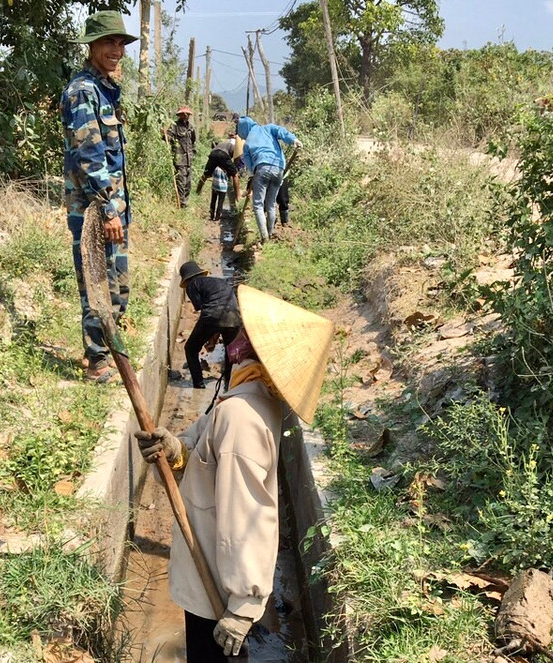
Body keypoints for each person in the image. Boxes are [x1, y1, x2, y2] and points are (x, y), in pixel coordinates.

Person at [135, 285, 334, 661]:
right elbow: (199, 445)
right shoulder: (243, 399)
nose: (234, 337)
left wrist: (243, 606)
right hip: (208, 575)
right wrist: (173, 451)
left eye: (243, 333)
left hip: (216, 589)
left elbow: (249, 516)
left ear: (254, 351)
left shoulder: (240, 417)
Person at [61, 11, 138, 382]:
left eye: (121, 43)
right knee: (99, 284)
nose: (116, 50)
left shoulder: (105, 89)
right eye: (109, 42)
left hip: (113, 208)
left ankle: (111, 351)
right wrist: (108, 209)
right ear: (91, 45)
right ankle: (97, 361)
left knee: (118, 286)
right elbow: (89, 156)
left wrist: (119, 210)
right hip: (94, 209)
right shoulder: (82, 92)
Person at [236, 116, 302, 243]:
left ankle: (265, 237)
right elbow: (281, 131)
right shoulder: (268, 128)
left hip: (261, 168)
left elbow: (249, 165)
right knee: (271, 204)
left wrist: (254, 173)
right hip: (279, 168)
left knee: (258, 205)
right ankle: (270, 233)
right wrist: (293, 139)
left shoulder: (247, 142)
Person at [179, 261, 242, 389]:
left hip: (213, 316)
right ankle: (229, 385)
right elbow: (222, 307)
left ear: (186, 278)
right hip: (234, 317)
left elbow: (205, 309)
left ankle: (198, 384)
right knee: (230, 352)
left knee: (190, 349)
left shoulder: (192, 285)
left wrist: (211, 337)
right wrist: (213, 337)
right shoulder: (219, 282)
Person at [166, 106, 197, 207]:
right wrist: (165, 134)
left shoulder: (191, 127)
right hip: (179, 159)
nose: (185, 116)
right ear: (179, 115)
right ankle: (181, 203)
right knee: (181, 181)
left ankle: (186, 201)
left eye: (187, 114)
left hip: (189, 159)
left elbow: (193, 141)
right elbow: (168, 137)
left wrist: (193, 153)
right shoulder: (174, 126)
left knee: (188, 183)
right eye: (183, 114)